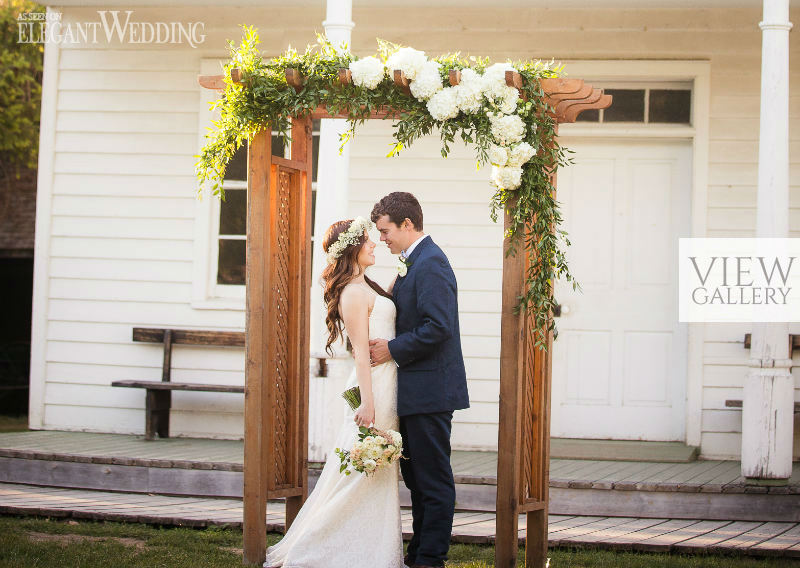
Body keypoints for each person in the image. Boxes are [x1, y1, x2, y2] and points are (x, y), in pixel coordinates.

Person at [264, 217, 404, 568]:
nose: (374, 245)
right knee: (359, 472)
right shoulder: (353, 293)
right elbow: (359, 351)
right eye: (368, 241)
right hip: (371, 390)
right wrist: (368, 404)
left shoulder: (366, 285)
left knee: (375, 471)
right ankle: (313, 548)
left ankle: (370, 551)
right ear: (352, 249)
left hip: (386, 384)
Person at [369, 192, 470, 568]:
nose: (382, 239)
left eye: (385, 231)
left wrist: (391, 349)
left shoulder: (431, 263)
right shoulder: (412, 262)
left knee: (433, 482)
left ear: (407, 224)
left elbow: (439, 327)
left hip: (431, 390)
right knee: (417, 480)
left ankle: (431, 559)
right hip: (414, 391)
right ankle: (419, 555)